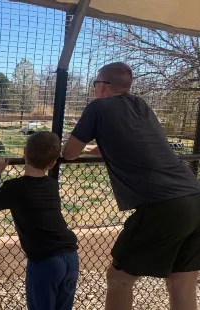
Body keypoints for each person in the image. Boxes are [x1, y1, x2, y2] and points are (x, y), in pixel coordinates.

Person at [63, 62, 200, 310]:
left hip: (164, 205)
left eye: (95, 83)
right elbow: (139, 144)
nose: (94, 88)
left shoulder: (98, 107)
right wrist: (101, 150)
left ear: (102, 86)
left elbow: (70, 152)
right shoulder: (141, 105)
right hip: (195, 196)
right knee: (182, 281)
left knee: (119, 278)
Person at [0, 131, 79, 310]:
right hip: (71, 257)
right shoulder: (51, 184)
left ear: (24, 153)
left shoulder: (15, 187)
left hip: (46, 261)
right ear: (52, 163)